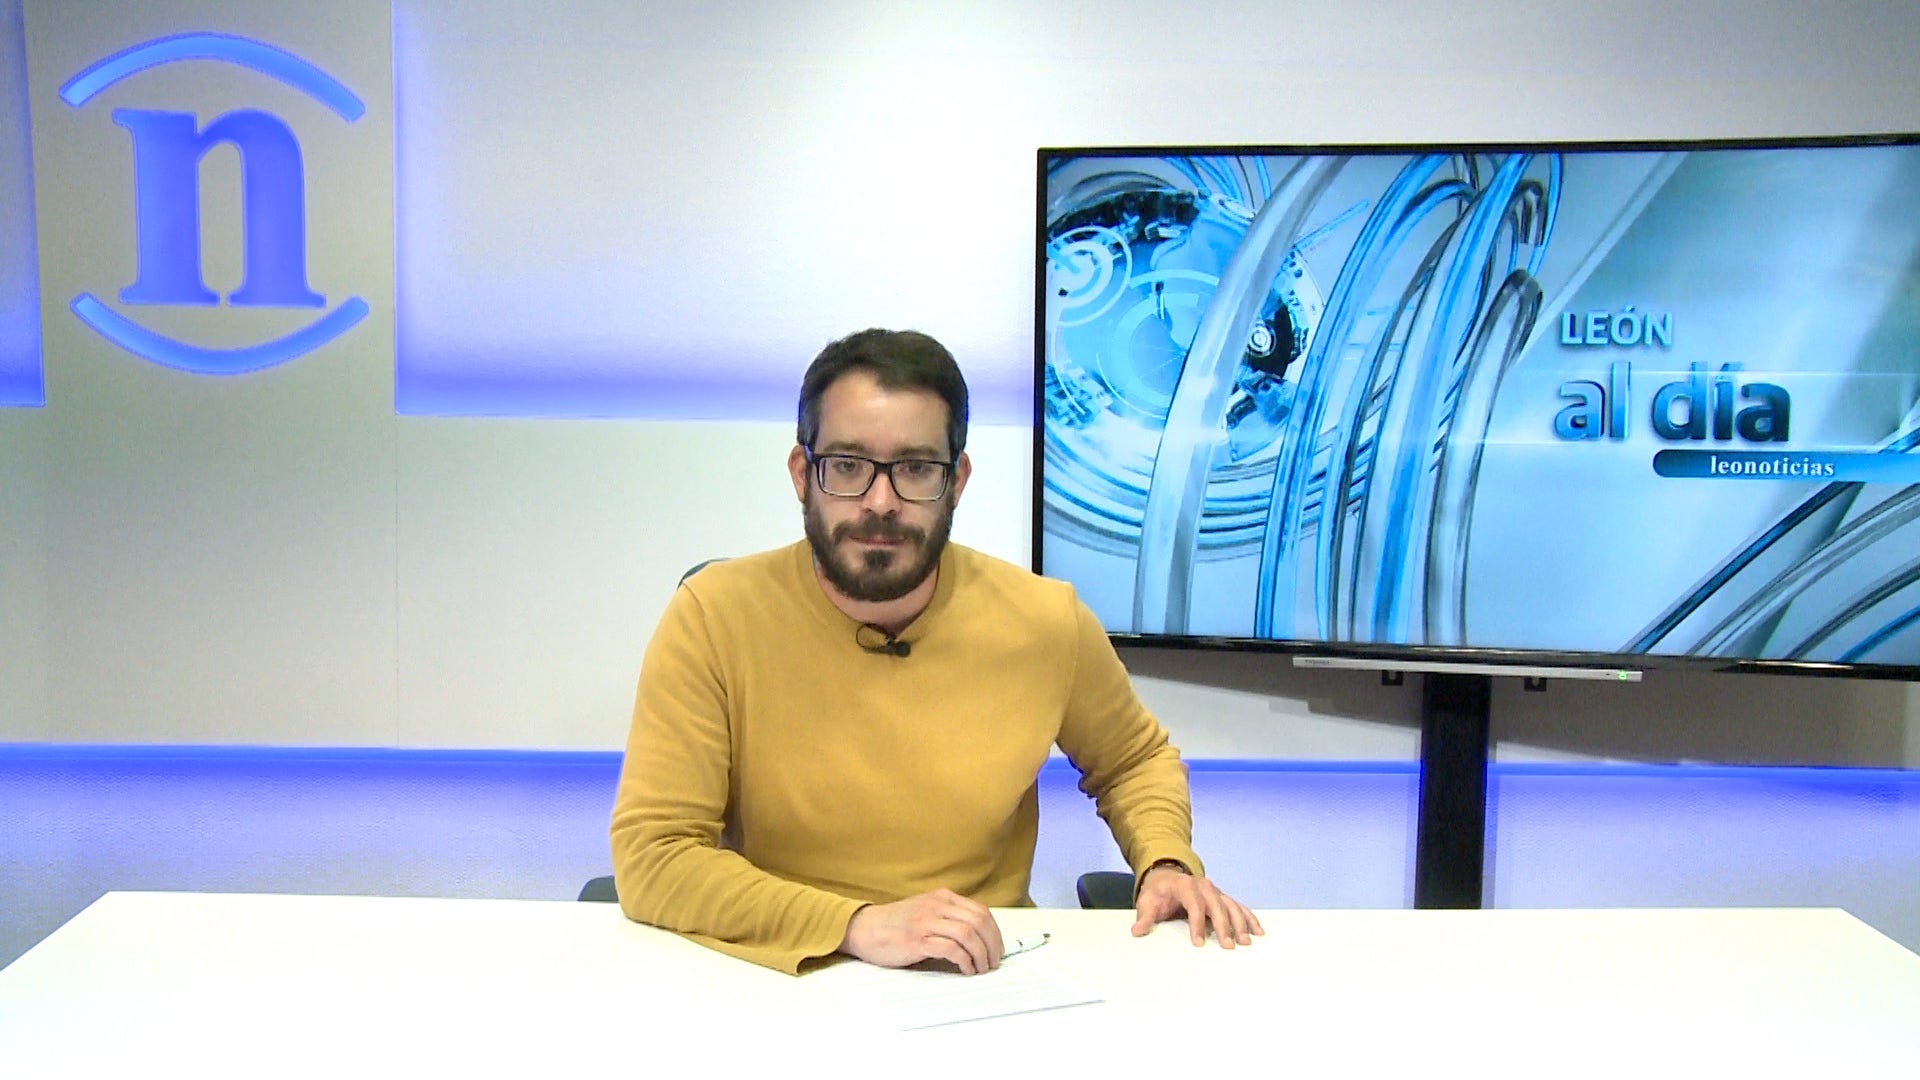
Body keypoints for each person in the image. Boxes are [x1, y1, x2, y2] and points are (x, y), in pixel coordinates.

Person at [609, 328, 1262, 975]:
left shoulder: (1045, 621)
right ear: (803, 475)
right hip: (778, 970)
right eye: (848, 466)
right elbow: (654, 854)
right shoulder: (713, 616)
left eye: (916, 469)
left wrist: (1164, 861)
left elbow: (1133, 762)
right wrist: (856, 924)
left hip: (976, 974)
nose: (881, 502)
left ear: (957, 481)